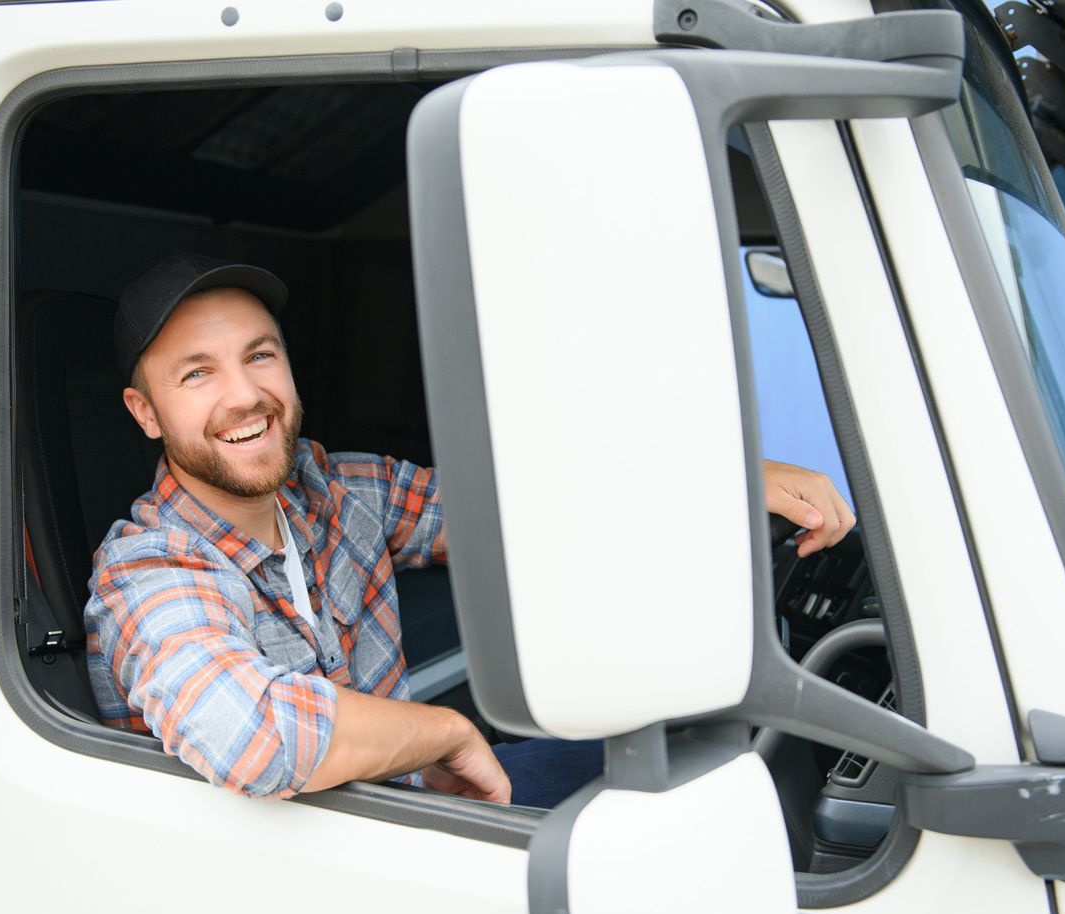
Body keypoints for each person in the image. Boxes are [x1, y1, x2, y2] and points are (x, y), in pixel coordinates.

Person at [85, 254, 856, 809]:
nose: (246, 395)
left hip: (419, 817)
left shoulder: (335, 489)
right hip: (309, 901)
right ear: (145, 413)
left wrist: (725, 481)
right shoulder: (148, 570)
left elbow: (526, 515)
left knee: (699, 751)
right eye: (198, 374)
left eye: (260, 356)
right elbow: (260, 736)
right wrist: (445, 733)